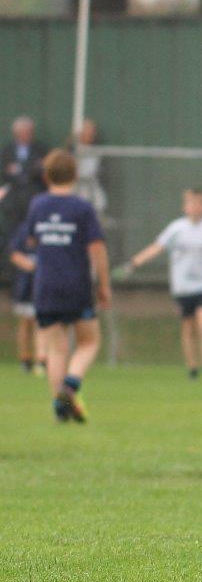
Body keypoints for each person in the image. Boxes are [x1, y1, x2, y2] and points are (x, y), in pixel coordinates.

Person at [8, 150, 110, 422]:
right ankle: (70, 386)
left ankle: (59, 407)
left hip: (45, 286)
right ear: (75, 175)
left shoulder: (38, 205)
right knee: (89, 342)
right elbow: (97, 248)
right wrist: (104, 285)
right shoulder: (82, 208)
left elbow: (30, 241)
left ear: (46, 176)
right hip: (76, 285)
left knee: (56, 349)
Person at [118, 189, 202, 383]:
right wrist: (133, 264)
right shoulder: (176, 228)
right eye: (191, 203)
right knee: (188, 328)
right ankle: (193, 369)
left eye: (199, 203)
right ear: (185, 206)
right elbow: (156, 247)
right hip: (183, 288)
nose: (195, 207)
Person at [0, 116, 48, 240]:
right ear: (16, 133)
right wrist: (30, 168)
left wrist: (20, 169)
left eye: (28, 132)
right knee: (12, 232)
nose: (26, 135)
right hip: (13, 198)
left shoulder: (40, 149)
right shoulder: (7, 150)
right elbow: (5, 172)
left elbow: (41, 170)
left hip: (34, 196)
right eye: (22, 132)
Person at [8, 224, 46, 375]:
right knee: (25, 323)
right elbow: (14, 254)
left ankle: (41, 360)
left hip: (45, 286)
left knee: (41, 322)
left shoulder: (48, 230)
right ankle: (25, 359)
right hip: (26, 286)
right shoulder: (23, 230)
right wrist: (32, 267)